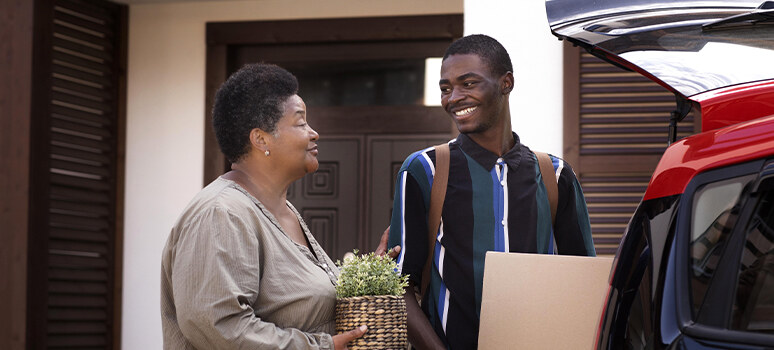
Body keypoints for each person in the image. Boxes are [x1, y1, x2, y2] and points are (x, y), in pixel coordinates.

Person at [386, 34, 596, 349]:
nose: (454, 97)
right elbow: (399, 287)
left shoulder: (556, 175)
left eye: (468, 84)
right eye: (446, 88)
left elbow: (583, 282)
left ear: (505, 83)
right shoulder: (424, 170)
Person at [160, 63, 367, 349]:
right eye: (301, 122)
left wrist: (369, 273)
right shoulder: (222, 213)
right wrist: (321, 347)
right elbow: (221, 326)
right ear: (260, 139)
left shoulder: (284, 211)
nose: (313, 133)